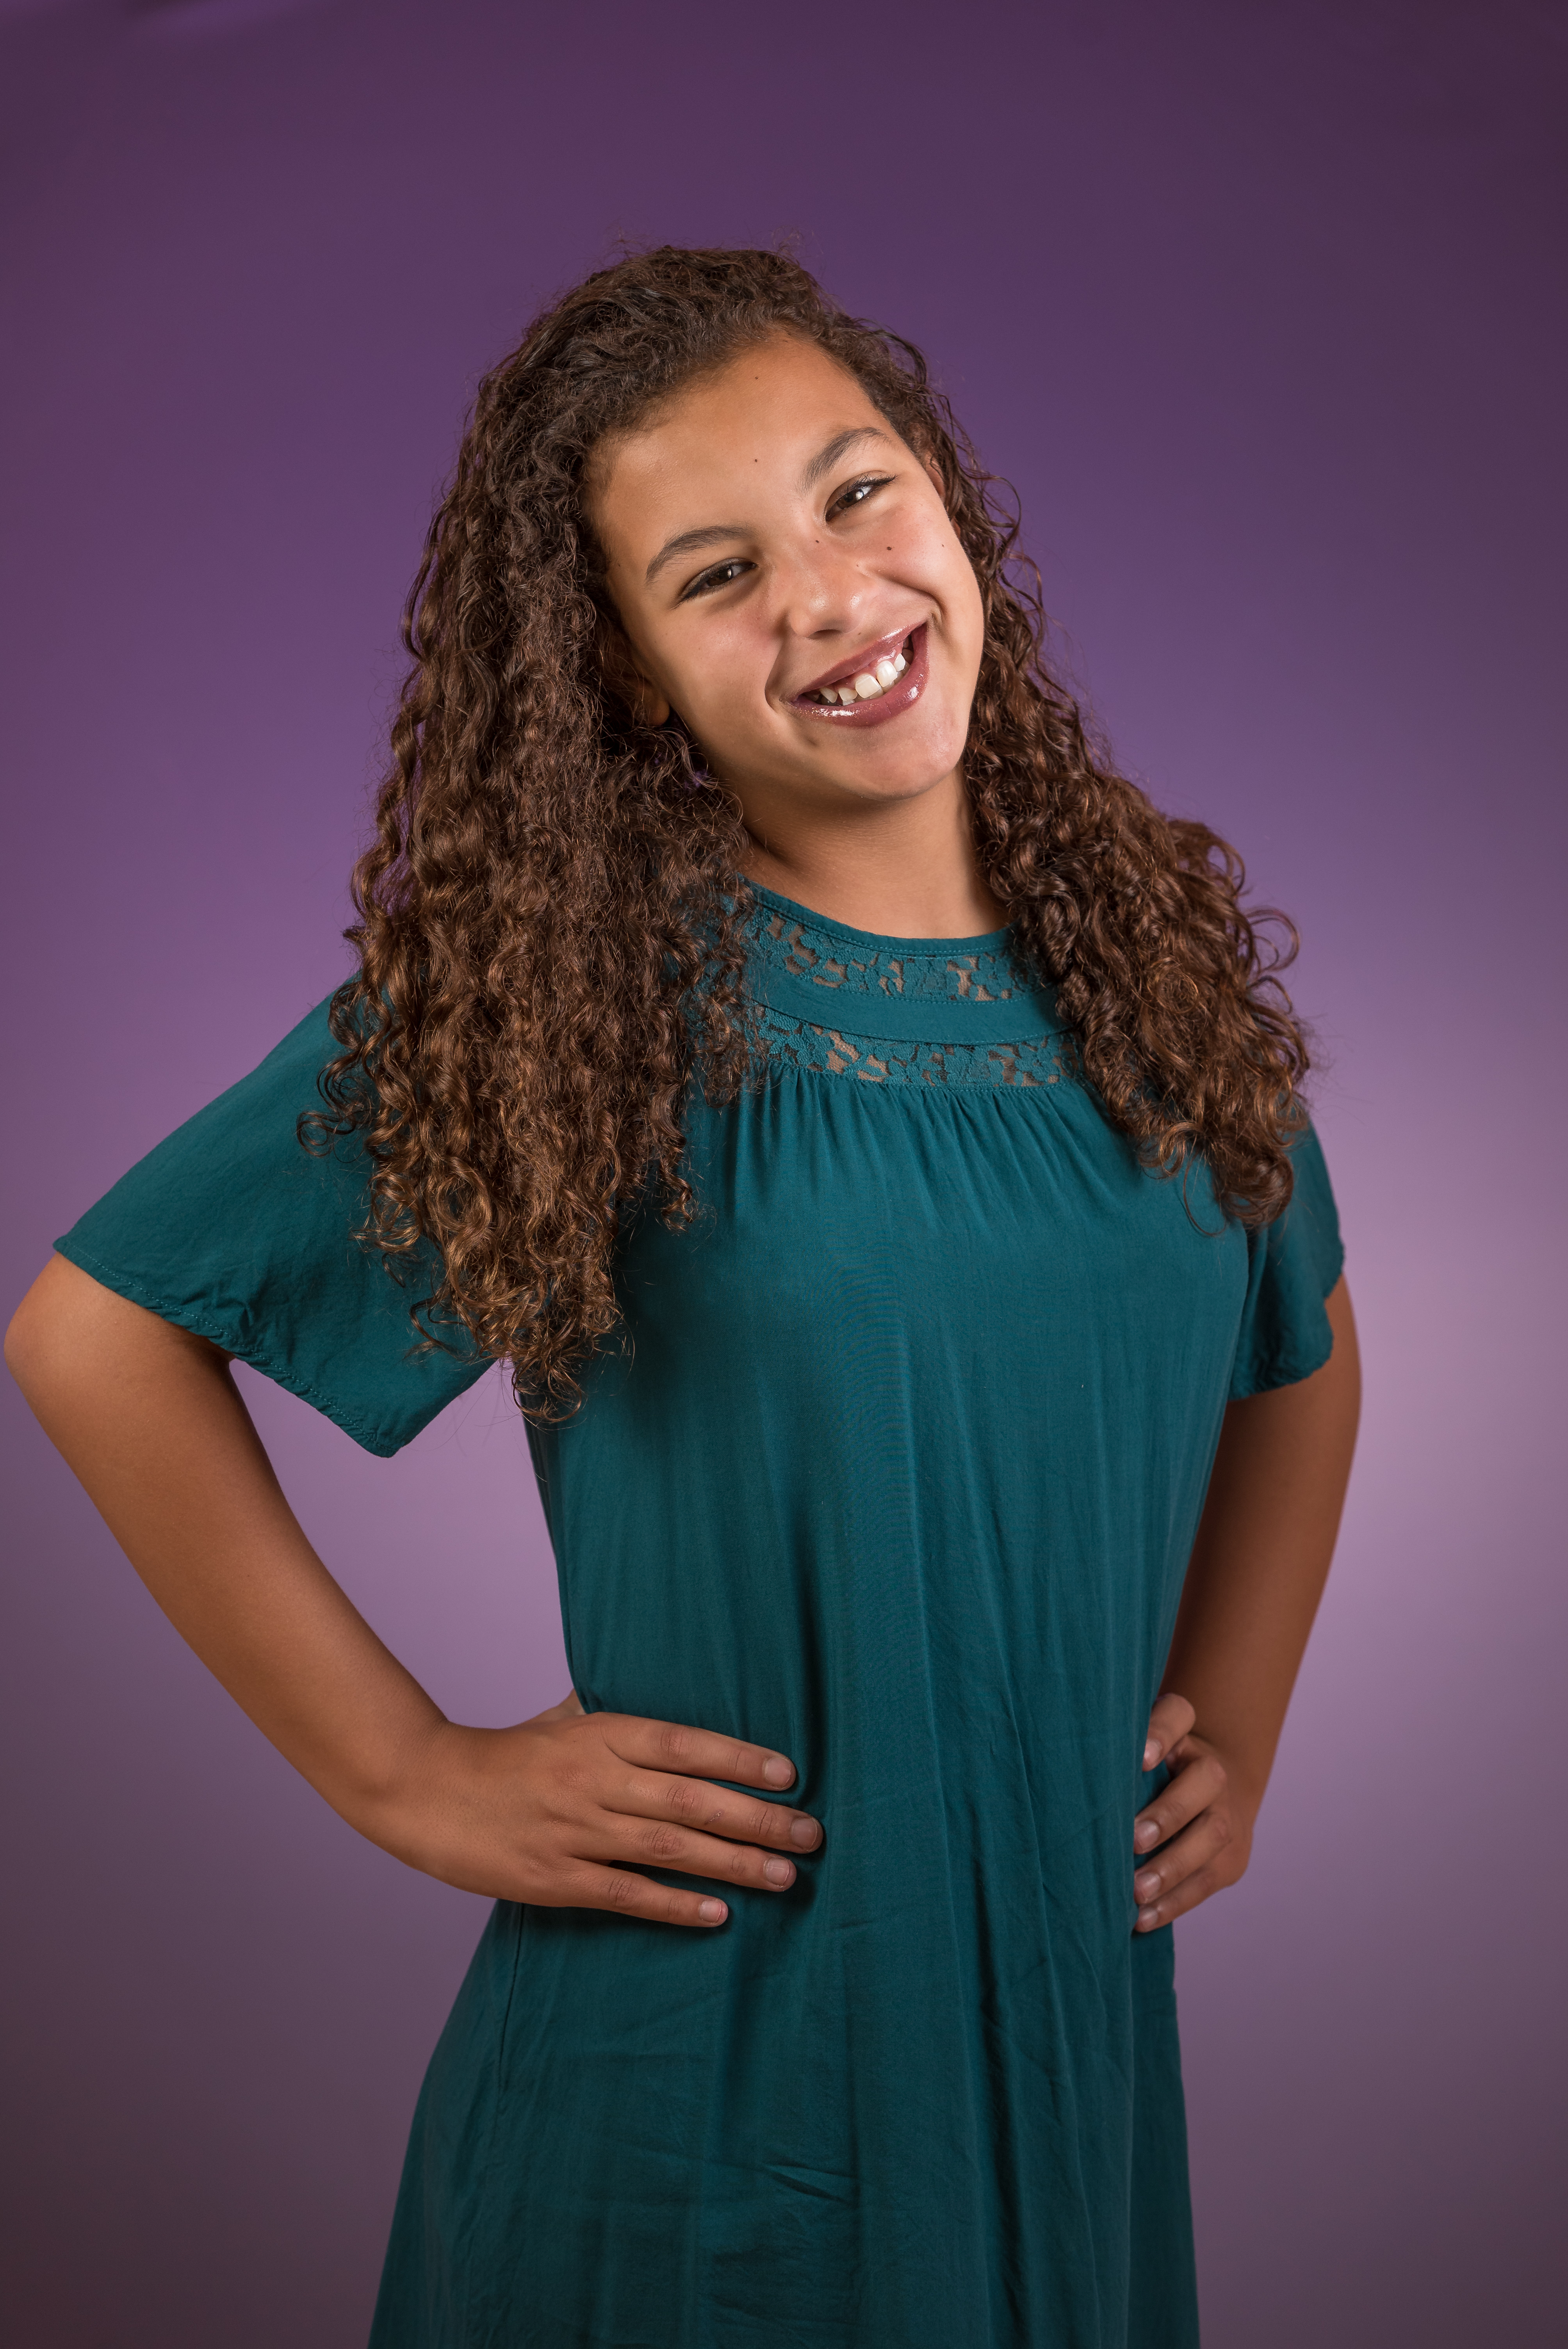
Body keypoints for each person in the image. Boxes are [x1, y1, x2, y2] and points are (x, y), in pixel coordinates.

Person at [5, 246, 1360, 2348]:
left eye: (858, 492)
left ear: (949, 500)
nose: (830, 597)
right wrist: (410, 1773)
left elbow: (1303, 1338)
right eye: (716, 574)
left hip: (1064, 2077)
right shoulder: (580, 998)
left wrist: (1238, 1728)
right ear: (629, 669)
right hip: (693, 2127)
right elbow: (92, 1332)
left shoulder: (1144, 964)